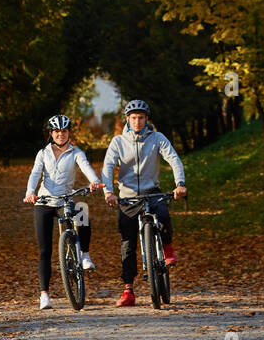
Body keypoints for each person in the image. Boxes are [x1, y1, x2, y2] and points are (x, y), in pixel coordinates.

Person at [101, 99, 187, 307]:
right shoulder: (118, 142)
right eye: (133, 118)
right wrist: (108, 192)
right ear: (127, 120)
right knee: (128, 244)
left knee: (163, 214)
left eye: (141, 118)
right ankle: (128, 290)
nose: (137, 121)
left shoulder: (157, 138)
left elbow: (173, 159)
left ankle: (167, 249)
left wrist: (180, 184)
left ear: (146, 119)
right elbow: (107, 167)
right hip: (127, 195)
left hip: (151, 191)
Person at [23, 114, 103, 309]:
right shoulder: (43, 153)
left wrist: (93, 181)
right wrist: (30, 192)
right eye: (57, 131)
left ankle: (84, 254)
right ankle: (44, 295)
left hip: (65, 200)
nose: (61, 134)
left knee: (82, 211)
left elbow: (85, 167)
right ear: (51, 133)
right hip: (44, 201)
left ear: (69, 133)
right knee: (45, 250)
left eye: (64, 131)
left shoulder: (76, 152)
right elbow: (35, 173)